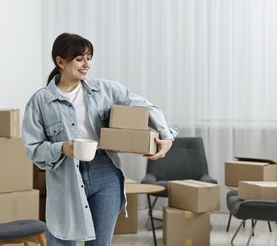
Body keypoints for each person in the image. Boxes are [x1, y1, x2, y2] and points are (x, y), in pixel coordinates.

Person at [21, 33, 178, 246]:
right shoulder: (41, 101)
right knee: (61, 241)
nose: (87, 64)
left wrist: (167, 136)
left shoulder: (105, 89)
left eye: (89, 57)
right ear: (60, 62)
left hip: (105, 172)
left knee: (100, 243)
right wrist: (62, 148)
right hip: (65, 176)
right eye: (80, 59)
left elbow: (146, 107)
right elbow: (33, 148)